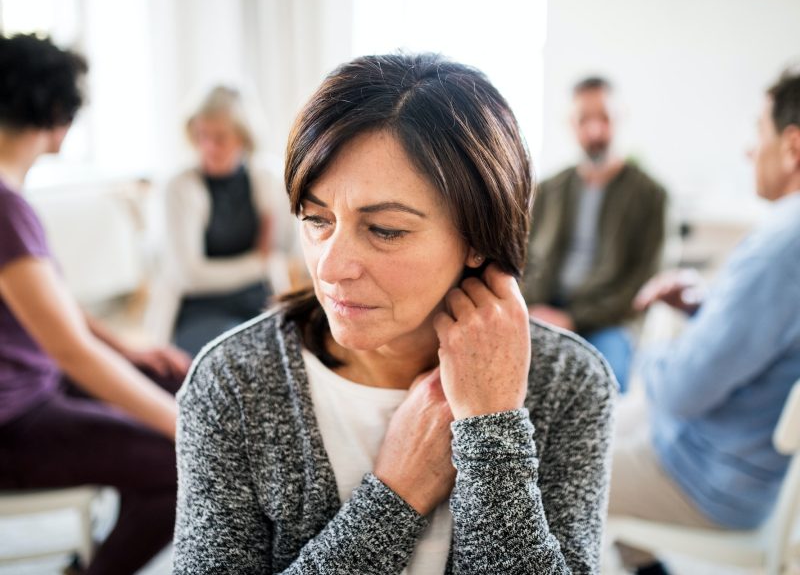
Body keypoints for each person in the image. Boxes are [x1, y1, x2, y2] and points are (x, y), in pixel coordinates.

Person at [173, 53, 616, 574]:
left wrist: (491, 428)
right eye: (317, 219)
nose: (331, 267)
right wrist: (396, 494)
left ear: (479, 236)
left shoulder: (570, 381)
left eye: (385, 230)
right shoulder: (234, 381)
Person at [0, 34, 190, 575]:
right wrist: (180, 428)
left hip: (34, 385)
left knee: (181, 384)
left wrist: (128, 346)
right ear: (58, 113)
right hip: (13, 420)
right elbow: (71, 351)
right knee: (186, 462)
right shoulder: (4, 206)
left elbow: (52, 309)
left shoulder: (9, 198)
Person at [608, 67, 800, 574]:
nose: (748, 150)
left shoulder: (781, 248)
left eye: (758, 133)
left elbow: (677, 394)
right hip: (744, 462)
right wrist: (707, 308)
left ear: (793, 146)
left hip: (711, 478)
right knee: (603, 422)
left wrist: (656, 337)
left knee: (556, 465)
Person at [521, 76, 667, 391]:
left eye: (604, 118)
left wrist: (573, 319)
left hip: (608, 322)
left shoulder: (650, 195)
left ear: (621, 117)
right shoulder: (549, 190)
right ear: (570, 124)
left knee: (603, 384)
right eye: (583, 119)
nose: (595, 131)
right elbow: (525, 260)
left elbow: (641, 284)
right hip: (544, 308)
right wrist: (531, 309)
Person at [159, 86, 277, 356]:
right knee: (233, 356)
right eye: (201, 136)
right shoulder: (179, 187)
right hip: (201, 307)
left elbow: (286, 252)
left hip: (258, 300)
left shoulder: (267, 180)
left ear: (243, 138)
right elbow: (190, 275)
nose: (208, 147)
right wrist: (259, 263)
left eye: (220, 138)